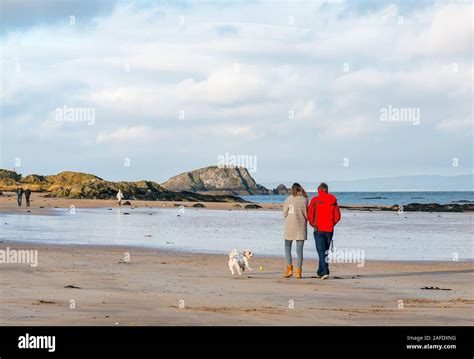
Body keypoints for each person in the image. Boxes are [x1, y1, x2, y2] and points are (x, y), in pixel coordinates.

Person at [307, 182, 341, 280]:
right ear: (327, 190)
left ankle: (325, 271)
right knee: (324, 251)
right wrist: (332, 224)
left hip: (319, 229)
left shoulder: (315, 200)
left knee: (321, 251)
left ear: (319, 190)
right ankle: (320, 271)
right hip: (329, 229)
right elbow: (338, 216)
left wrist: (313, 225)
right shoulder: (332, 200)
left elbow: (310, 215)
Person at [282, 183, 308, 279]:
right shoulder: (304, 200)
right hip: (301, 228)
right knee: (299, 251)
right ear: (300, 189)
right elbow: (307, 215)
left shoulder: (288, 199)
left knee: (287, 248)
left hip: (289, 227)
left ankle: (289, 270)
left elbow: (284, 213)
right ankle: (298, 272)